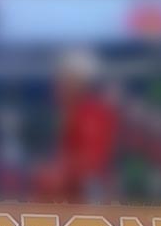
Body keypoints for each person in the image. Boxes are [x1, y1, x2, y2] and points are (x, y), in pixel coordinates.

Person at [36, 49, 118, 203]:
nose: (57, 86)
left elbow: (92, 161)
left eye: (63, 79)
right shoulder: (70, 113)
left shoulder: (91, 113)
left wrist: (59, 173)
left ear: (77, 82)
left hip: (90, 199)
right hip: (74, 197)